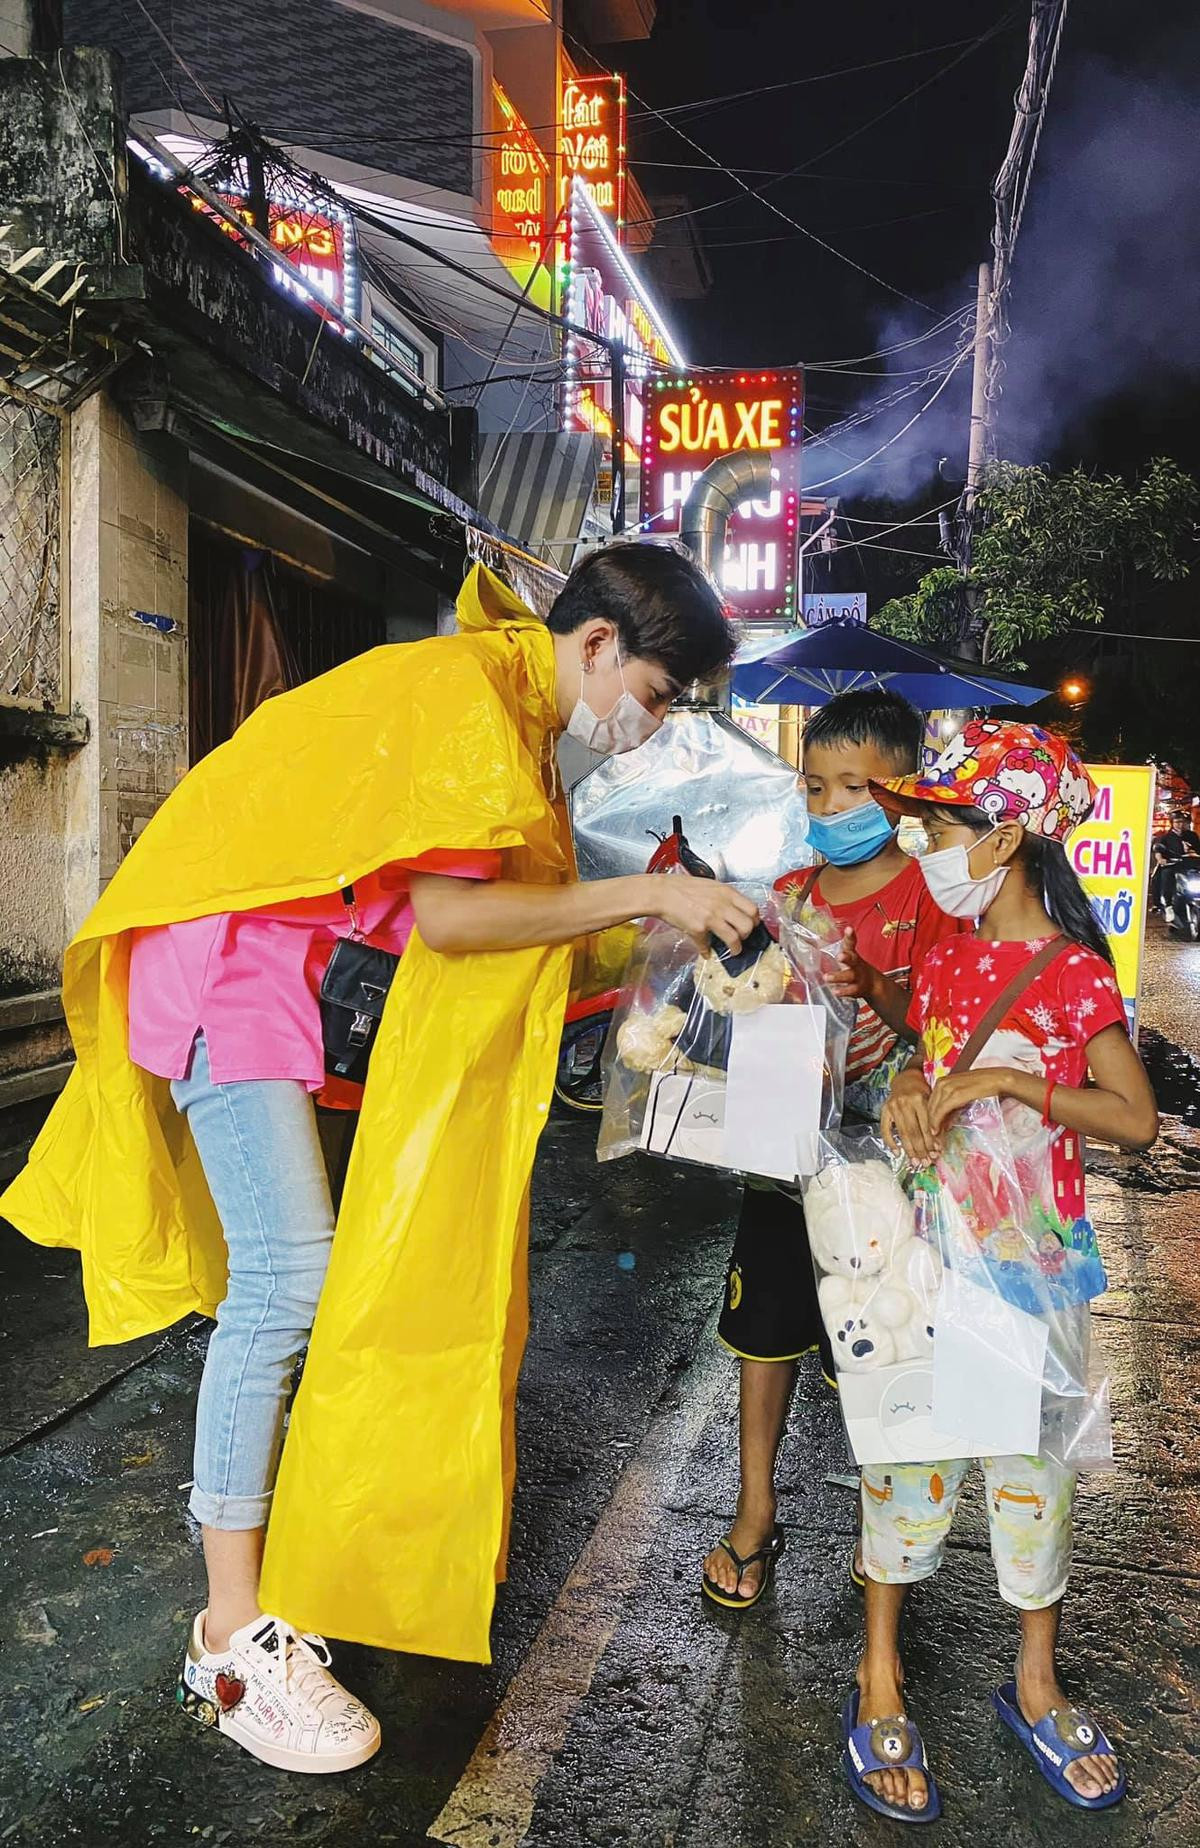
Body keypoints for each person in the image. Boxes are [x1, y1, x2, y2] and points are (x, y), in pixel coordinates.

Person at [1, 544, 758, 1774]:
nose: (651, 726)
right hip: (224, 974)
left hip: (268, 988)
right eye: (661, 695)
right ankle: (232, 1639)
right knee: (288, 1285)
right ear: (602, 645)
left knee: (313, 1284)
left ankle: (272, 1589)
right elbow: (460, 921)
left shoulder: (508, 714)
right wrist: (648, 905)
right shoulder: (473, 698)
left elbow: (506, 944)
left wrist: (649, 929)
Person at [840, 718, 1157, 1823]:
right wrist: (907, 1092)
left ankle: (1035, 1679)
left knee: (1033, 1487)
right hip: (925, 1270)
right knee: (905, 1471)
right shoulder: (940, 958)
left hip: (1032, 1280)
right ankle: (879, 1675)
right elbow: (918, 1083)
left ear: (1006, 836)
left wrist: (1013, 1089)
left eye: (938, 823)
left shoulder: (1073, 976)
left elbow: (1138, 1120)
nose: (922, 840)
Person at [701, 690, 966, 1610]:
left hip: (885, 1175)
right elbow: (762, 1003)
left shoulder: (936, 898)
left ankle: (881, 1517)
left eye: (853, 788)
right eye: (814, 788)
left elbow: (948, 1027)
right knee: (764, 1331)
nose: (829, 809)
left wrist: (882, 1005)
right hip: (787, 1159)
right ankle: (754, 1506)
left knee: (879, 1340)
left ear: (903, 793)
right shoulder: (793, 895)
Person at [1150, 809, 1200, 919]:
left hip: (1190, 865)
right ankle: (1168, 906)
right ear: (1172, 823)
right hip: (1172, 865)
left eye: (1182, 822)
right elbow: (1158, 851)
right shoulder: (1165, 837)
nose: (1180, 825)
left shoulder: (1192, 835)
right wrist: (1161, 859)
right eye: (1177, 822)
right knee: (1165, 875)